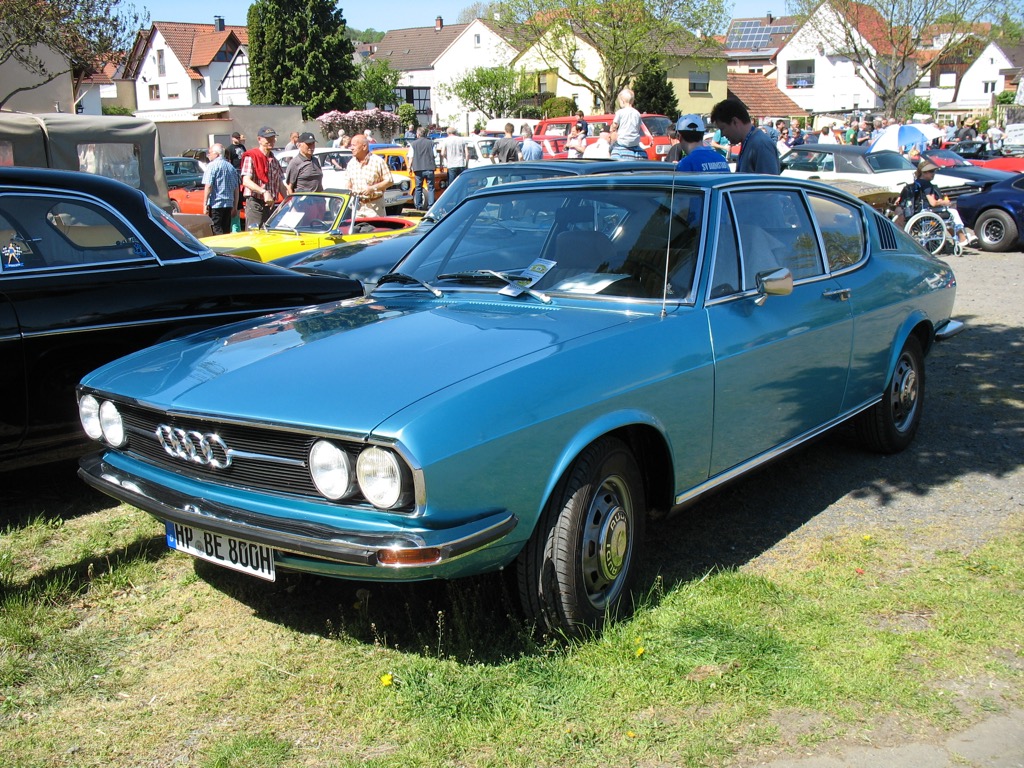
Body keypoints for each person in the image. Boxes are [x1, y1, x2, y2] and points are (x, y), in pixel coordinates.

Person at [903, 159, 974, 247]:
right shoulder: (927, 184)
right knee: (952, 212)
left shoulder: (917, 183)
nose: (933, 174)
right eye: (931, 171)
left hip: (917, 211)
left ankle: (960, 237)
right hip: (927, 212)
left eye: (934, 171)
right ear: (924, 173)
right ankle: (962, 237)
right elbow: (932, 203)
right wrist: (944, 202)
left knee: (948, 216)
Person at [710, 98, 781, 174]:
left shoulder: (761, 144)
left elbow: (768, 184)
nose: (722, 134)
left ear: (735, 122)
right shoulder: (749, 142)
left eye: (723, 128)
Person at [239, 126, 285, 228]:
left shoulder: (274, 160)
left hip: (271, 205)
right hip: (255, 203)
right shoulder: (251, 156)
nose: (271, 141)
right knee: (254, 237)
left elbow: (281, 185)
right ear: (259, 139)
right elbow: (246, 181)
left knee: (269, 236)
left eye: (273, 138)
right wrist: (264, 192)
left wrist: (289, 202)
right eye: (268, 138)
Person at [343, 134, 394, 218]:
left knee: (376, 230)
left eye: (354, 145)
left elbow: (389, 181)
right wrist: (349, 188)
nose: (351, 148)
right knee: (356, 230)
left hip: (374, 208)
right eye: (350, 145)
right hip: (357, 207)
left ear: (364, 147)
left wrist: (372, 188)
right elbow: (348, 183)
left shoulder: (378, 161)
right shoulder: (351, 164)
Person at [201, 143, 239, 235]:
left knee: (216, 229)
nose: (208, 155)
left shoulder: (212, 166)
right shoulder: (231, 167)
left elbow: (208, 186)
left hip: (216, 204)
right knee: (226, 230)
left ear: (217, 154)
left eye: (210, 153)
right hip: (228, 204)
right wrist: (235, 206)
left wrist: (205, 203)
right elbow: (236, 188)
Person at [610, 88, 647, 160]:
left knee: (611, 147)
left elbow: (615, 124)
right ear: (632, 101)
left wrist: (613, 129)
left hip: (623, 141)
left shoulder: (620, 112)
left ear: (623, 101)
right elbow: (638, 126)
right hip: (635, 141)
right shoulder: (637, 113)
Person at [408, 127, 436, 211]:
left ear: (418, 134)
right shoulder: (431, 143)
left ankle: (418, 205)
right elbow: (435, 155)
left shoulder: (413, 144)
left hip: (418, 168)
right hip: (429, 167)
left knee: (418, 187)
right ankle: (431, 205)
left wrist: (409, 167)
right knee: (431, 187)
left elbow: (411, 157)